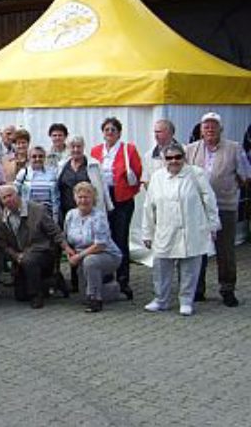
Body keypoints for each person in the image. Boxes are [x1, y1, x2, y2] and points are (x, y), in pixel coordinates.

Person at [143, 142, 220, 316]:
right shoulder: (157, 177)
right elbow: (149, 207)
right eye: (169, 158)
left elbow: (209, 200)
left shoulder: (196, 174)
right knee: (161, 266)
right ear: (164, 160)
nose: (174, 161)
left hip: (192, 228)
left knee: (190, 266)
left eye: (178, 157)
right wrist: (147, 232)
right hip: (165, 229)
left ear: (184, 157)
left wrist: (213, 225)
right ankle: (161, 299)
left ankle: (186, 300)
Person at [186, 112, 251, 307]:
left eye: (214, 126)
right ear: (201, 130)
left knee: (225, 251)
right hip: (198, 208)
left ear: (220, 129)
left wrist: (230, 189)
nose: (210, 130)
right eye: (206, 126)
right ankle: (198, 289)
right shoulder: (190, 149)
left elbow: (245, 175)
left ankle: (227, 289)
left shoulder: (234, 148)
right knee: (198, 249)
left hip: (225, 206)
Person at [91, 117, 142, 300]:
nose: (110, 133)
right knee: (103, 238)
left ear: (119, 133)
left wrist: (127, 192)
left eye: (113, 130)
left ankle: (123, 280)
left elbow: (137, 173)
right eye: (107, 130)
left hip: (121, 200)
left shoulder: (129, 150)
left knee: (120, 240)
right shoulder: (96, 151)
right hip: (102, 200)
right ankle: (106, 277)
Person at [0, 184, 67, 308]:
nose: (8, 200)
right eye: (4, 198)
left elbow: (55, 231)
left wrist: (66, 248)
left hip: (42, 252)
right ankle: (53, 281)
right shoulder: (2, 220)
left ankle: (36, 296)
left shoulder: (38, 210)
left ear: (18, 195)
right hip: (20, 258)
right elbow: (2, 244)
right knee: (21, 296)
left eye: (10, 195)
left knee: (29, 260)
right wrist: (16, 256)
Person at [63, 182, 122, 313]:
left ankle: (95, 300)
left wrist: (78, 256)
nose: (83, 200)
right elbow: (65, 238)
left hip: (107, 254)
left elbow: (100, 245)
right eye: (80, 197)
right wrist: (69, 252)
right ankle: (112, 289)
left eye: (87, 197)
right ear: (75, 198)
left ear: (93, 199)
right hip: (82, 256)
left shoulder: (99, 216)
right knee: (82, 296)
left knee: (90, 262)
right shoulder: (70, 215)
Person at [15, 146, 60, 221]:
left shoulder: (52, 173)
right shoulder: (24, 173)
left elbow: (57, 197)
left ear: (45, 158)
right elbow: (16, 192)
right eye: (34, 157)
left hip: (48, 213)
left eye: (40, 156)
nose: (37, 159)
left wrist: (56, 216)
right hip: (29, 213)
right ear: (29, 158)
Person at [142, 119, 177, 185]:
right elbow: (146, 181)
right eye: (155, 132)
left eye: (159, 132)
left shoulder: (185, 151)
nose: (156, 135)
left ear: (170, 133)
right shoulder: (149, 155)